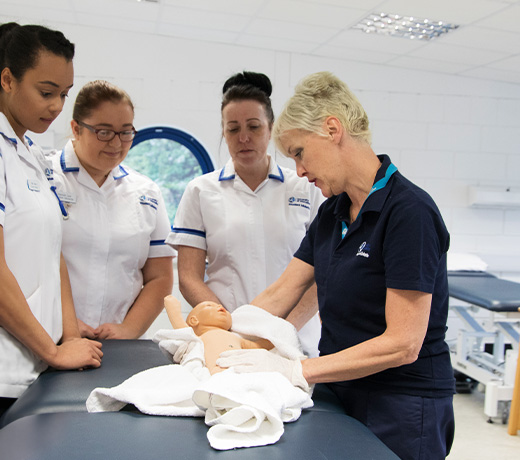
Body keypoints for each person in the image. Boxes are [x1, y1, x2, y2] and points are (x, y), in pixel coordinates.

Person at [216, 71, 455, 460]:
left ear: (332, 130)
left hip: (401, 401)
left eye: (298, 152)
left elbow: (403, 343)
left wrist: (298, 371)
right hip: (340, 388)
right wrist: (221, 334)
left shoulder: (408, 212)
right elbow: (283, 292)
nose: (299, 170)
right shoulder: (333, 211)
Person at [167, 71, 323, 357]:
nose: (244, 138)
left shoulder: (306, 187)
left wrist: (280, 332)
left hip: (296, 341)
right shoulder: (201, 191)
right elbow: (189, 277)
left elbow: (321, 275)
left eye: (254, 127)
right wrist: (229, 329)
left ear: (271, 128)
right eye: (233, 129)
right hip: (225, 341)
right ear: (223, 132)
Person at [0, 23, 103, 415]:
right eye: (46, 93)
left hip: (37, 366)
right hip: (7, 367)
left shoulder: (32, 155)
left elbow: (52, 252)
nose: (58, 106)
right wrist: (52, 351)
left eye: (63, 94)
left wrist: (70, 339)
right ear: (7, 79)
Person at [48, 80, 175, 340]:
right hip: (48, 335)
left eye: (126, 132)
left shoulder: (146, 193)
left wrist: (128, 330)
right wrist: (65, 323)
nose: (116, 143)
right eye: (104, 132)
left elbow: (160, 277)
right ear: (76, 129)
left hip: (117, 344)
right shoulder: (44, 177)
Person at [164, 295, 273, 374]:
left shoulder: (236, 338)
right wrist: (173, 310)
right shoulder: (197, 339)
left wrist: (276, 338)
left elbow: (258, 346)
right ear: (194, 320)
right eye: (209, 305)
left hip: (240, 370)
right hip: (215, 371)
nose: (220, 306)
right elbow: (183, 331)